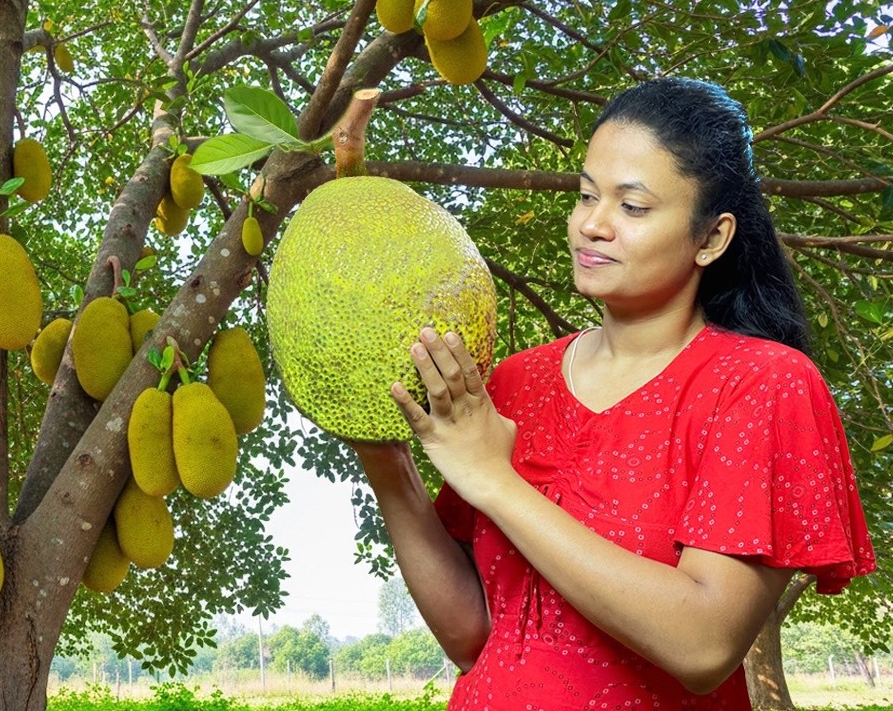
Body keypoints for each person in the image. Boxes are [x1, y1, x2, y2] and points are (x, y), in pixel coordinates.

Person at [351, 77, 876, 710]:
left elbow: (704, 647)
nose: (591, 225)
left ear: (711, 238)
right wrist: (386, 461)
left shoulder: (762, 384)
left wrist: (494, 478)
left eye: (632, 207)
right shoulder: (513, 381)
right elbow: (472, 636)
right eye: (585, 195)